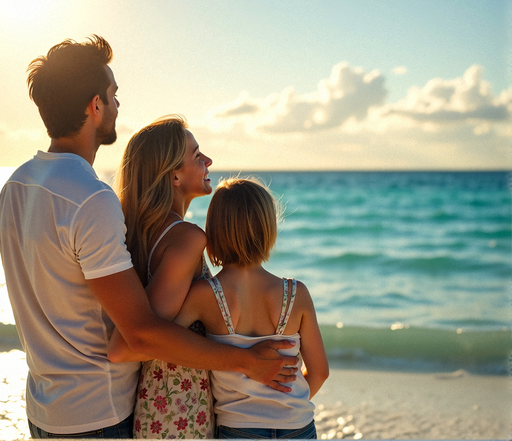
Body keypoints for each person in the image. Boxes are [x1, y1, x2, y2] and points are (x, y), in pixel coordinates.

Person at [0, 35, 298, 439]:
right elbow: (136, 336)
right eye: (114, 94)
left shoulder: (15, 187)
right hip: (98, 412)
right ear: (96, 105)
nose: (118, 105)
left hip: (43, 407)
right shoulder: (90, 198)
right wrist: (245, 362)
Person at [174, 177, 330, 439]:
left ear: (214, 231)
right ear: (268, 229)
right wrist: (286, 406)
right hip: (298, 426)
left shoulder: (206, 294)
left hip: (239, 428)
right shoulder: (296, 294)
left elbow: (163, 339)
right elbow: (320, 372)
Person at [108, 115, 215, 438]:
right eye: (197, 156)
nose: (208, 160)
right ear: (174, 176)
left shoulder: (139, 234)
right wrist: (244, 360)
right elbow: (126, 346)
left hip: (157, 407)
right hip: (179, 413)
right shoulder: (186, 238)